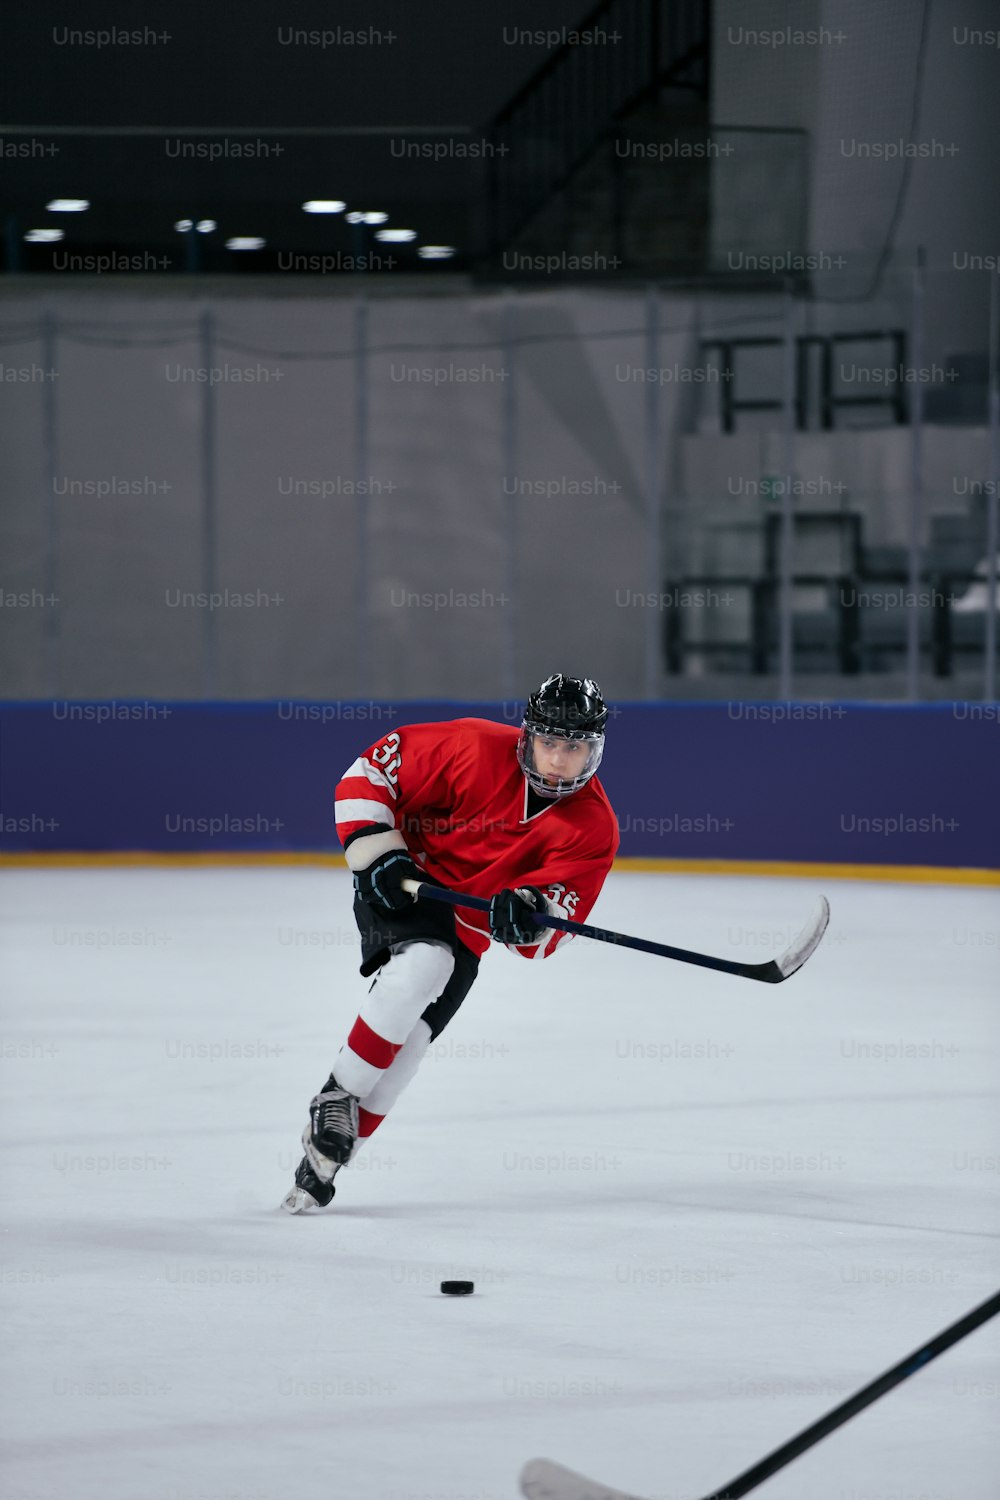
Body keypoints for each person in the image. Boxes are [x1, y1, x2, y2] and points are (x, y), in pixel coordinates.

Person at [281, 673, 619, 1213]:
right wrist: (375, 850)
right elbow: (367, 773)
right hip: (402, 882)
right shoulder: (469, 747)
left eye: (574, 747)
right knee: (424, 967)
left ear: (594, 750)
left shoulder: (593, 828)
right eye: (550, 742)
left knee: (409, 1050)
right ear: (528, 736)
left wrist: (530, 915)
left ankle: (321, 1166)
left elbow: (546, 932)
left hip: (466, 926)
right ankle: (336, 1097)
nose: (558, 760)